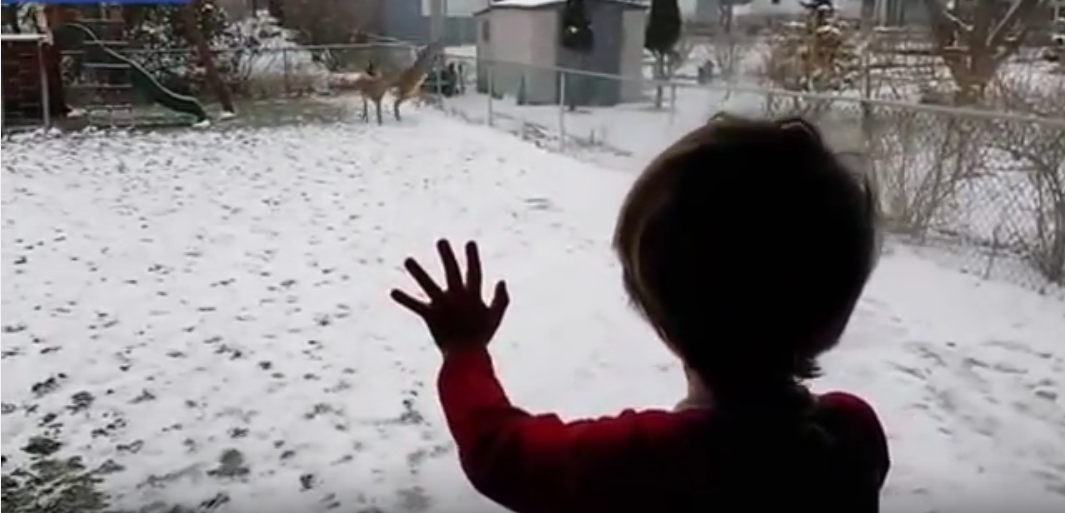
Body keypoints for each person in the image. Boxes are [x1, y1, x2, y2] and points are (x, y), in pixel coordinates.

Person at [390, 115, 889, 513]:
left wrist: (463, 352)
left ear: (662, 319)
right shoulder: (853, 437)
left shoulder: (645, 465)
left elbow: (500, 452)